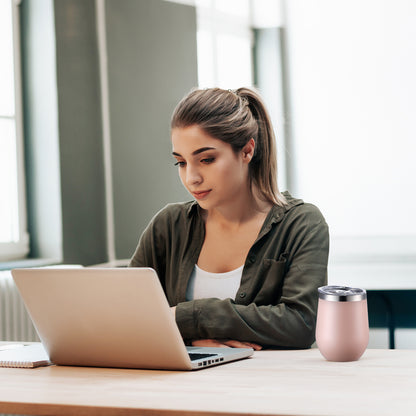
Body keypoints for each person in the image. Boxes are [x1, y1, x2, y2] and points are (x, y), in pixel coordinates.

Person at [129, 87, 329, 350]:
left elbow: (301, 324)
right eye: (181, 162)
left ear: (247, 151)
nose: (192, 177)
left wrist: (189, 316)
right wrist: (196, 341)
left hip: (271, 387)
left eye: (207, 159)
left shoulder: (302, 224)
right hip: (177, 388)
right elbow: (129, 318)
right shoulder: (167, 226)